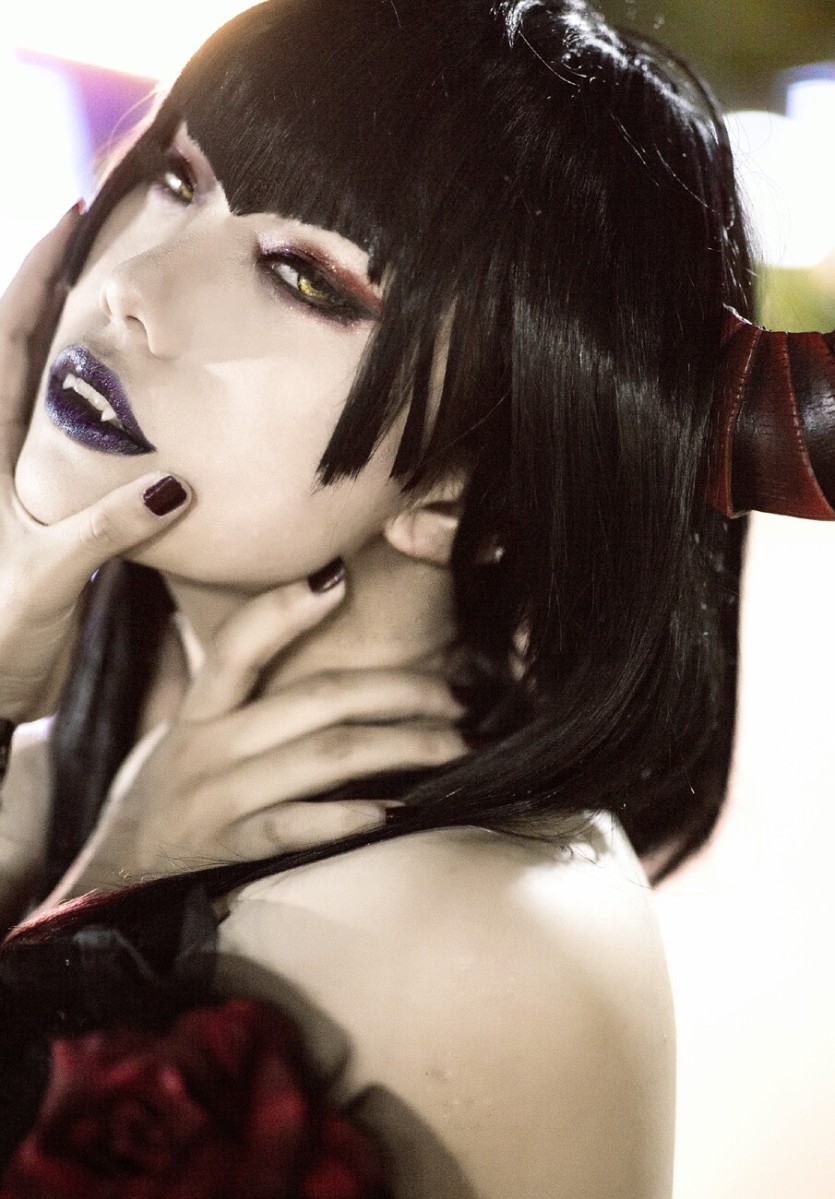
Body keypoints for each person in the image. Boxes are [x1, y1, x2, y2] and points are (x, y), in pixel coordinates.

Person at [0, 0, 759, 1194]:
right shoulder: (55, 766)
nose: (133, 285)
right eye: (181, 178)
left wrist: (101, 920)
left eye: (302, 276)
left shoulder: (488, 939)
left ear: (471, 493)